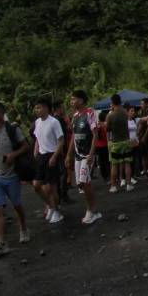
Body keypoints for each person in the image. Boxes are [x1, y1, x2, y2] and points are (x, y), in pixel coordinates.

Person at [0, 101, 29, 251]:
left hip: (12, 175)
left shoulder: (12, 129)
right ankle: (1, 242)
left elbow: (25, 146)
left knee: (16, 204)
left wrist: (13, 155)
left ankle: (23, 228)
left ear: (2, 114)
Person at [66, 89, 102, 225]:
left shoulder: (89, 114)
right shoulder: (74, 116)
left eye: (73, 99)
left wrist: (91, 154)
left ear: (80, 100)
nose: (71, 102)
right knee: (81, 184)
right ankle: (94, 210)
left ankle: (91, 211)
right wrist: (68, 155)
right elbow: (73, 137)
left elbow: (95, 135)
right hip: (77, 155)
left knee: (85, 182)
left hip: (87, 155)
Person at [32, 96, 65, 224]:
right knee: (37, 185)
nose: (37, 110)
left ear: (46, 108)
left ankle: (56, 210)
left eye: (39, 107)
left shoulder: (54, 122)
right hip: (41, 155)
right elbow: (37, 139)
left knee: (52, 187)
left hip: (52, 154)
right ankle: (51, 206)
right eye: (36, 108)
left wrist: (54, 156)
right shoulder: (37, 122)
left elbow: (61, 141)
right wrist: (35, 152)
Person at [106, 94, 133, 193]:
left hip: (115, 142)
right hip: (126, 141)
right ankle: (129, 184)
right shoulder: (125, 113)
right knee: (127, 163)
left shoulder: (110, 115)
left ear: (112, 102)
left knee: (114, 164)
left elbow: (108, 129)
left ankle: (113, 186)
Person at [52, 100, 71, 203]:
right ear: (58, 109)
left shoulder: (51, 120)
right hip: (60, 149)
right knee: (63, 172)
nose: (63, 109)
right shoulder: (59, 120)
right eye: (61, 107)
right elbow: (63, 136)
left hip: (53, 150)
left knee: (57, 174)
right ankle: (63, 195)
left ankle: (59, 195)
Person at [94, 109, 110, 182]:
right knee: (106, 161)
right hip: (104, 145)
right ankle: (107, 176)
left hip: (98, 145)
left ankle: (105, 176)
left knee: (102, 162)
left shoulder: (97, 124)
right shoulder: (104, 125)